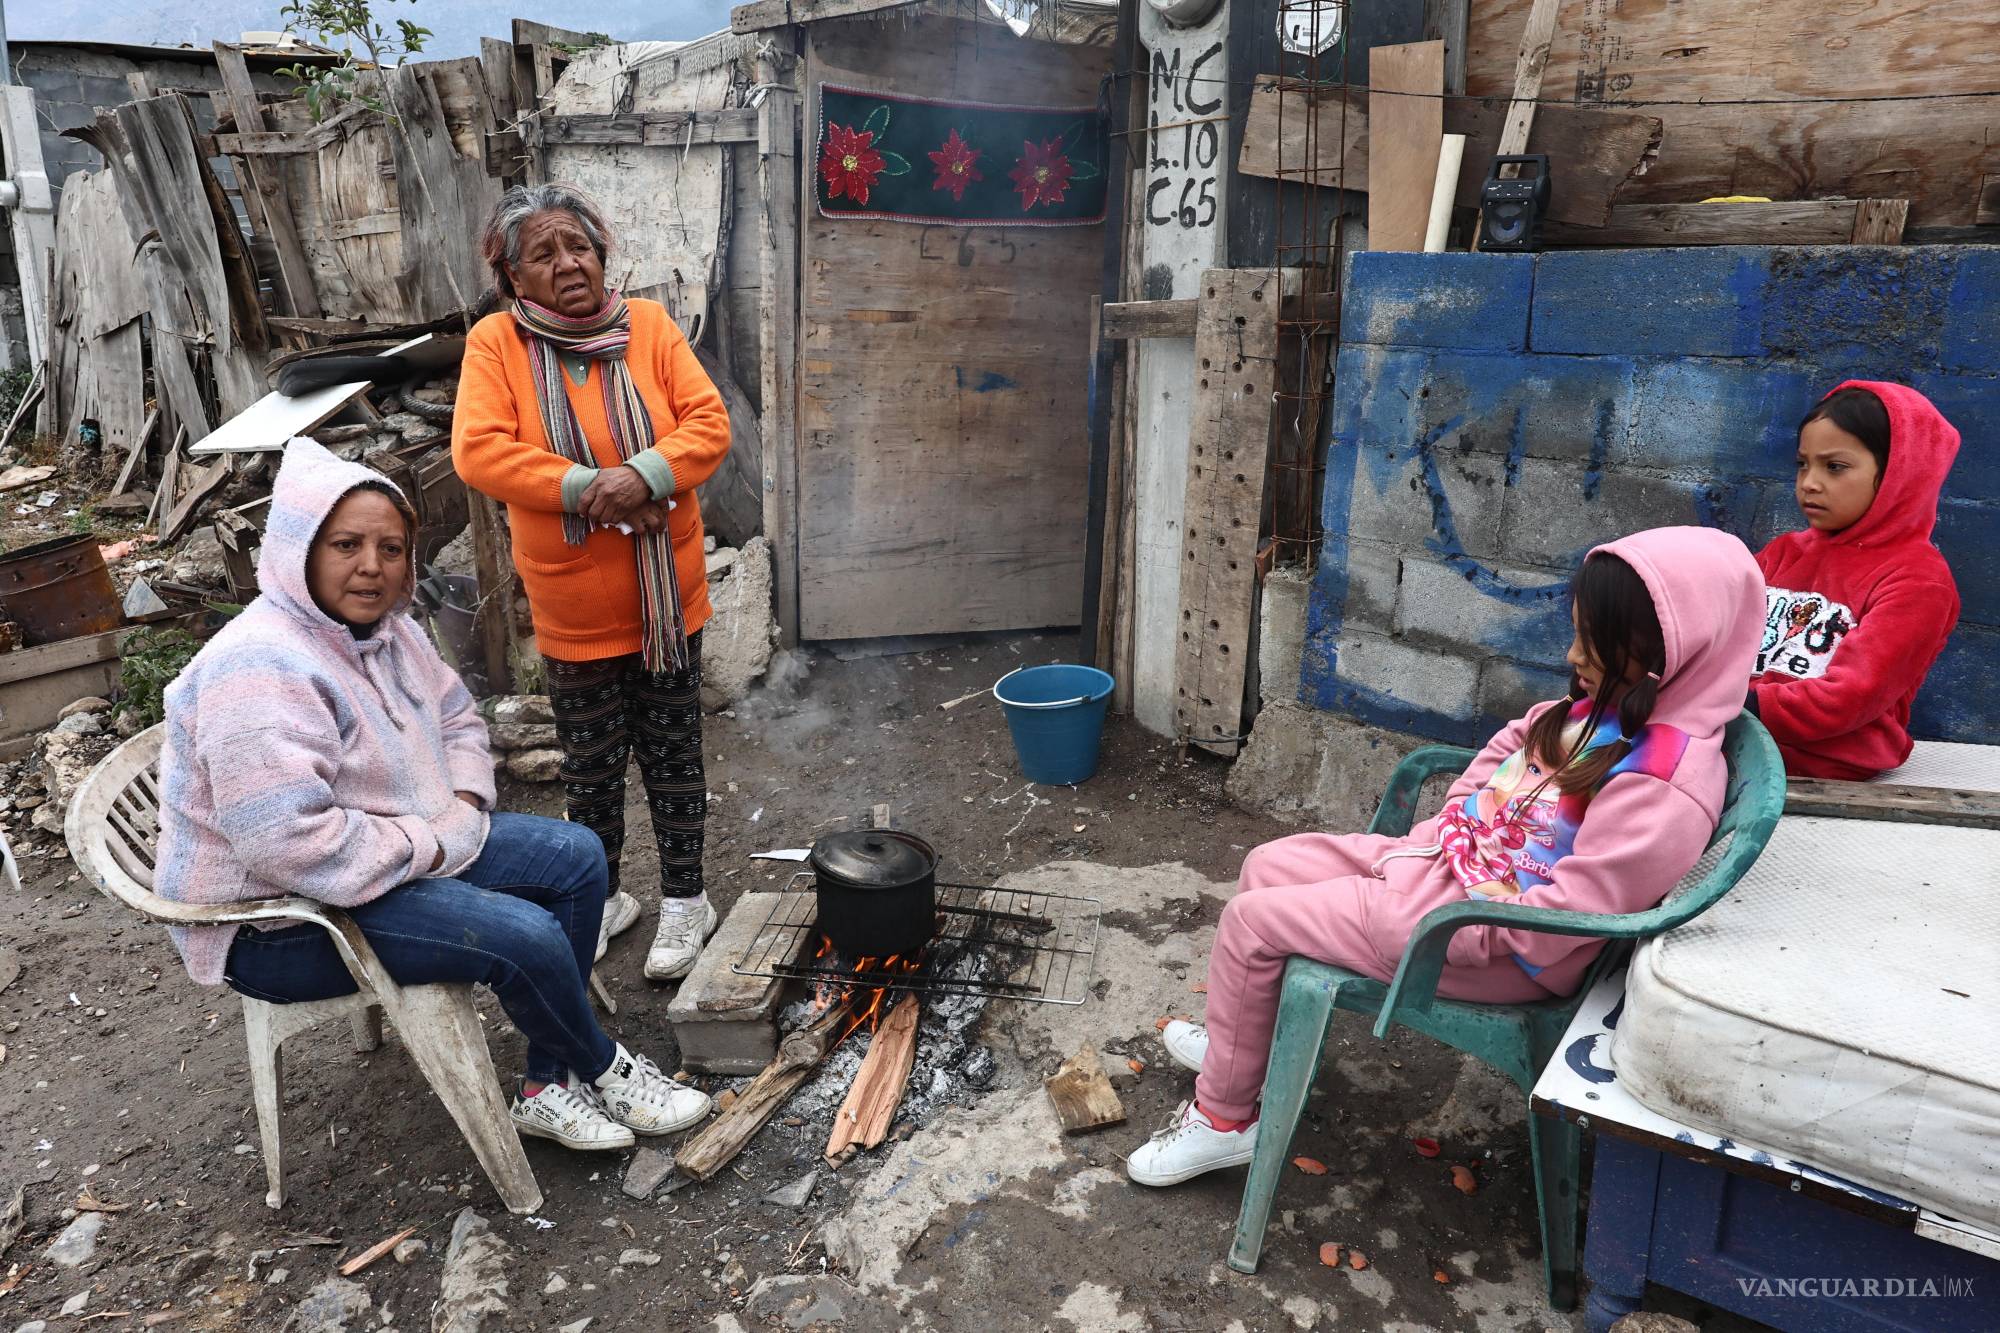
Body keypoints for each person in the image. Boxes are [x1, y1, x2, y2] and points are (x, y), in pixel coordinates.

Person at [1126, 526, 1764, 1186]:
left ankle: (1226, 1118)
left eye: (1592, 644)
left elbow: (1564, 919)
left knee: (1251, 923)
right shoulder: (1607, 709)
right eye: (1576, 633)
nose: (1573, 654)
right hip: (1449, 871)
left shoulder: (1664, 786)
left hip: (1487, 942)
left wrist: (1443, 919)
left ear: (1666, 653)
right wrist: (1447, 827)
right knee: (1267, 865)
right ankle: (1241, 1050)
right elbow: (1511, 743)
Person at [155, 439, 711, 1151]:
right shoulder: (258, 667)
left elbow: (457, 718)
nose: (372, 566)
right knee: (525, 933)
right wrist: (433, 843)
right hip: (279, 921)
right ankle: (599, 1063)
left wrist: (468, 807)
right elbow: (287, 843)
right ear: (297, 548)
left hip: (383, 858)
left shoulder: (388, 631)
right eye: (346, 543)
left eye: (391, 548)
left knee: (575, 856)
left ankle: (547, 1085)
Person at [454, 183, 733, 981]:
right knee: (591, 763)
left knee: (675, 753)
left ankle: (687, 898)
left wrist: (642, 475)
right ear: (512, 278)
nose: (567, 263)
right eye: (542, 253)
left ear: (601, 255)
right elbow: (481, 451)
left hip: (665, 601)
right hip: (572, 603)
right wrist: (589, 486)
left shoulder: (647, 326)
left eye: (577, 246)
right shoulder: (495, 347)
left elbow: (705, 423)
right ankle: (603, 894)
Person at [1748, 382, 1961, 779]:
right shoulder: (1782, 553)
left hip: (1829, 757)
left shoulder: (1918, 579)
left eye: (1834, 467)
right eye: (1802, 464)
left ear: (1900, 472)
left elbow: (1852, 696)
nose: (1809, 482)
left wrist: (1735, 706)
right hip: (1739, 732)